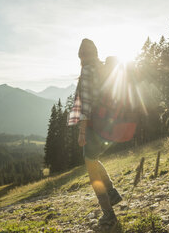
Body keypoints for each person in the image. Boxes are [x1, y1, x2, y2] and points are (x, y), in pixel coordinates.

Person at [68, 39, 122, 227]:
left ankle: (108, 214)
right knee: (93, 159)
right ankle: (112, 192)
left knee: (92, 171)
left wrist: (82, 132)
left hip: (93, 126)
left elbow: (86, 104)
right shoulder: (103, 68)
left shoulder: (87, 71)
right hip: (108, 123)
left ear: (81, 56)